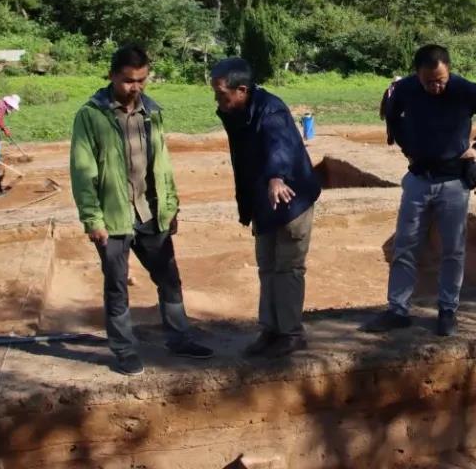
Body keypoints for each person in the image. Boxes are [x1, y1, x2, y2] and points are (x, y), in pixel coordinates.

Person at [70, 45, 213, 375]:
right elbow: (82, 171)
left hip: (150, 213)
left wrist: (171, 205)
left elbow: (163, 164)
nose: (135, 87)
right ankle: (123, 349)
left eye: (142, 80)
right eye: (128, 81)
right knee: (117, 286)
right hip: (114, 217)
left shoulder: (152, 112)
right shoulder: (91, 116)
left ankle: (179, 338)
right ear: (112, 76)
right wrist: (92, 219)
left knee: (170, 279)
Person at [363, 45, 476, 337]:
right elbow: (392, 115)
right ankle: (397, 310)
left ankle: (447, 310)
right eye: (429, 81)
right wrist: (408, 147)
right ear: (418, 74)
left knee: (453, 249)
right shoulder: (405, 89)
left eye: (440, 79)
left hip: (454, 182)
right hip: (418, 179)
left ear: (448, 71)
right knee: (405, 246)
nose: (436, 86)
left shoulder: (464, 90)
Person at [211, 57, 322, 358]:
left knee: (288, 268)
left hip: (289, 199)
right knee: (267, 267)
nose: (218, 100)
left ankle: (291, 333)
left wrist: (277, 176)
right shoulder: (237, 111)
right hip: (264, 202)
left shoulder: (271, 109)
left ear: (242, 89)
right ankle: (271, 329)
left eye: (222, 94)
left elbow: (280, 143)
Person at [0, 94, 21, 160]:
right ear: (10, 104)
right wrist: (4, 129)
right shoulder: (2, 106)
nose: (12, 109)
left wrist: (4, 128)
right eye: (12, 108)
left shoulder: (0, 103)